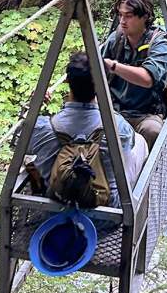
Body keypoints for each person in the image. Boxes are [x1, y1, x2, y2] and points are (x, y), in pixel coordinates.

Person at [26, 52, 148, 207]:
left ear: (68, 81)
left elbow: (18, 142)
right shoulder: (117, 126)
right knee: (140, 141)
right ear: (100, 85)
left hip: (56, 211)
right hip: (107, 216)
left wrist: (33, 107)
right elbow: (128, 146)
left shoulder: (42, 127)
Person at [101, 0, 167, 147]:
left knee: (152, 131)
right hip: (116, 110)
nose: (122, 21)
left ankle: (146, 170)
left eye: (129, 16)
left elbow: (147, 79)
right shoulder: (117, 39)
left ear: (145, 17)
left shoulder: (160, 43)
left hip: (146, 114)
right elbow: (91, 64)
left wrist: (113, 66)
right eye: (120, 15)